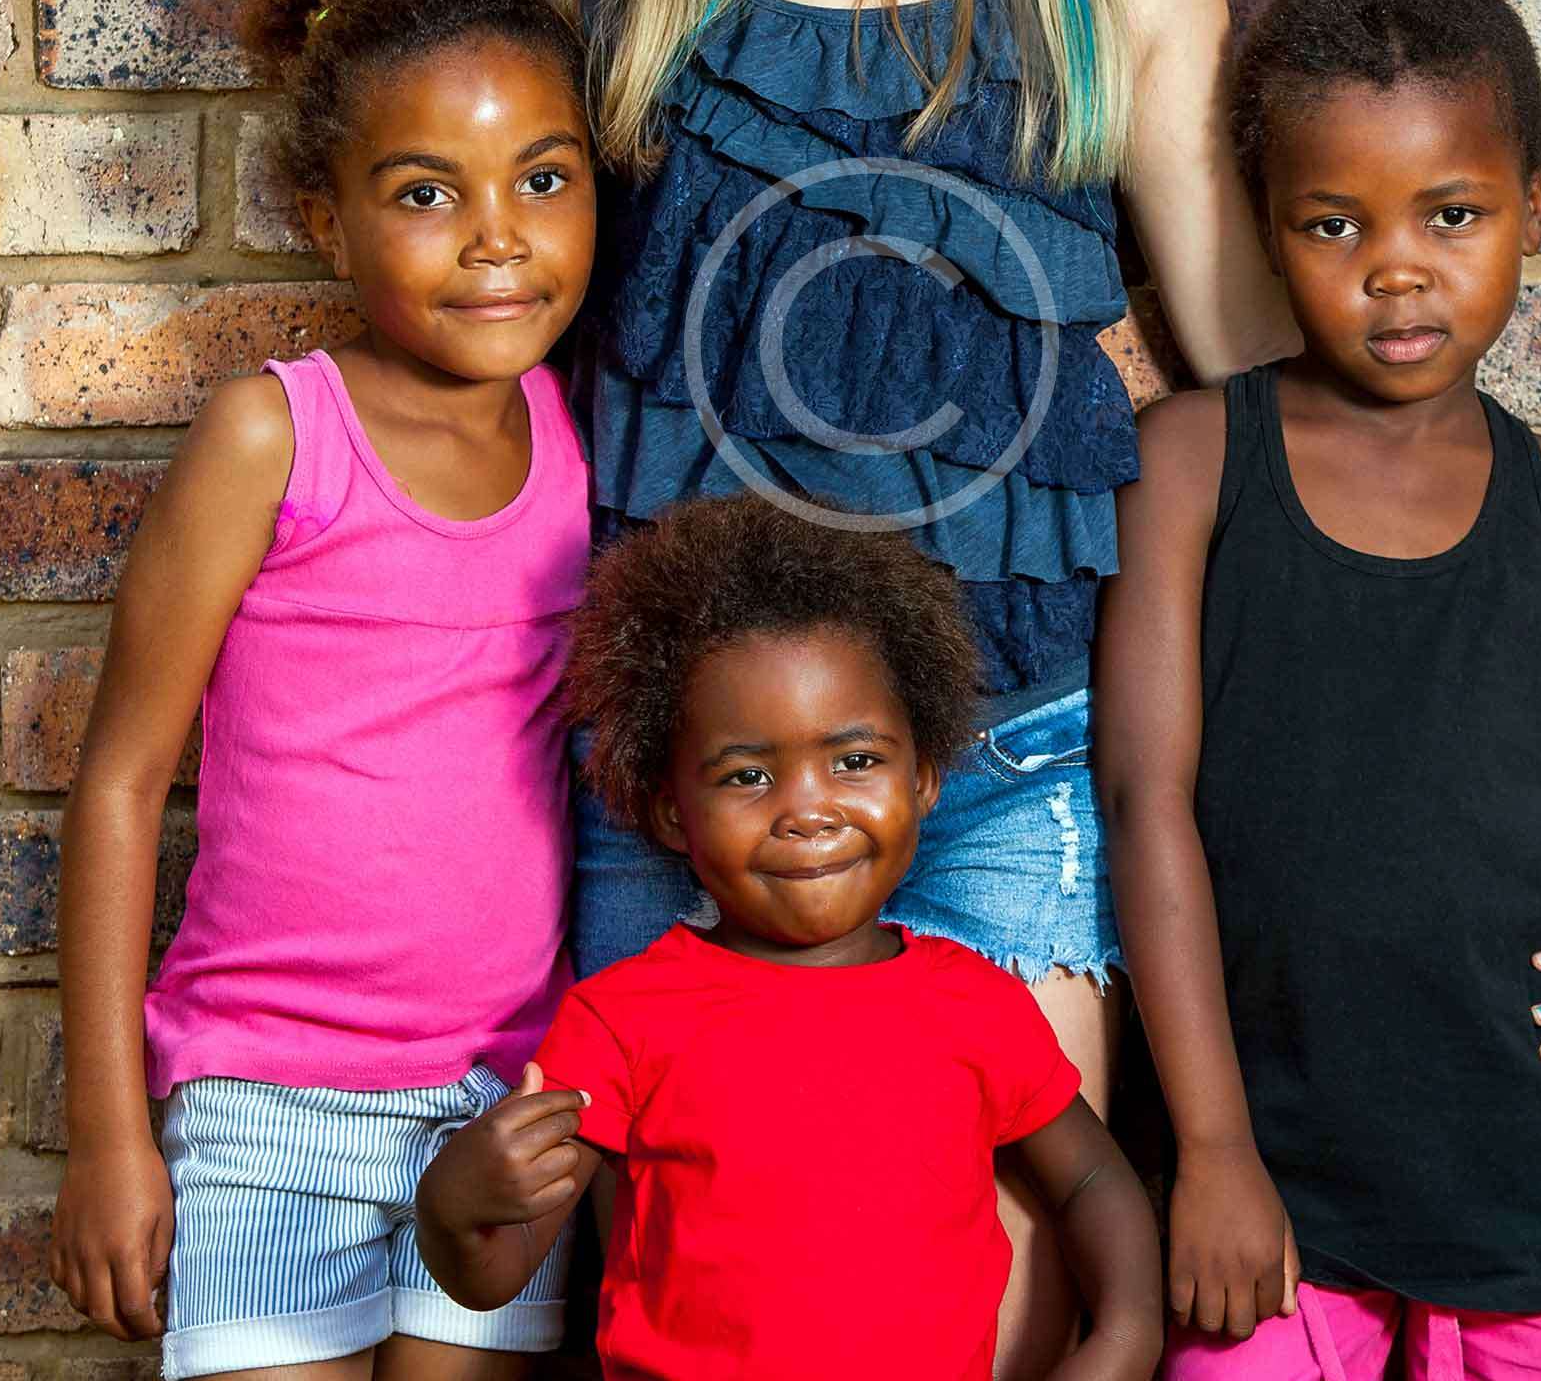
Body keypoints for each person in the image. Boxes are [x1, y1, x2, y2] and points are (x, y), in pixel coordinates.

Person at [475, 0, 1283, 1365]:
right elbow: (504, 407)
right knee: (712, 1300)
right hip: (684, 782)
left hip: (1013, 747)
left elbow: (1253, 372)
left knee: (974, 1305)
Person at [1094, 0, 1541, 1380]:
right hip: (1268, 1164)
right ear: (1266, 227)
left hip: (1529, 1165)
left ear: (1535, 205)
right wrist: (1214, 1146)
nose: (1397, 268)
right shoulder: (1189, 463)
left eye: (1453, 214)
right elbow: (1143, 803)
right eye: (1334, 222)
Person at [48, 0, 598, 1380]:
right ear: (325, 221)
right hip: (269, 1101)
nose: (497, 239)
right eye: (426, 194)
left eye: (544, 180)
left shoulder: (585, 440)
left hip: (502, 1102)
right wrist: (108, 1133)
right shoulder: (273, 437)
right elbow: (120, 783)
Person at [415, 495, 1163, 1381]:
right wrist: (453, 1207)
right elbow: (493, 1275)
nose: (807, 810)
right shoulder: (620, 1021)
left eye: (855, 761)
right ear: (669, 812)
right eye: (748, 776)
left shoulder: (977, 1004)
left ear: (924, 779)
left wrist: (1125, 1338)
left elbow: (1090, 1179)